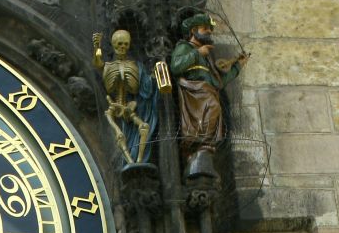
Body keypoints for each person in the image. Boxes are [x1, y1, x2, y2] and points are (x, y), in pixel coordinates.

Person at [169, 12, 249, 171]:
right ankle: (198, 145)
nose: (209, 32)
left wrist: (238, 66)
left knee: (213, 107)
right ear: (193, 30)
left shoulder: (207, 57)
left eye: (210, 29)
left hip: (207, 92)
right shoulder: (184, 47)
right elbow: (175, 66)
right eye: (205, 28)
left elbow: (217, 83)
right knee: (213, 107)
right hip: (194, 93)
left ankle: (203, 145)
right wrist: (198, 53)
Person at [93, 28, 158, 168]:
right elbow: (98, 63)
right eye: (119, 44)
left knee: (144, 127)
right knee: (120, 134)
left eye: (125, 44)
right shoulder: (108, 66)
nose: (122, 47)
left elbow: (144, 86)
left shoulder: (136, 66)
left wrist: (153, 77)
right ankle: (128, 160)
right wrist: (97, 48)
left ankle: (139, 161)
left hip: (130, 106)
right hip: (114, 107)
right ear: (113, 45)